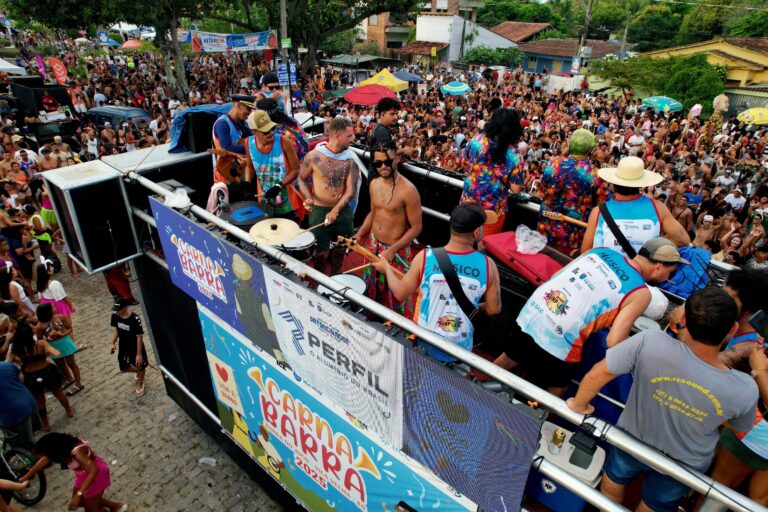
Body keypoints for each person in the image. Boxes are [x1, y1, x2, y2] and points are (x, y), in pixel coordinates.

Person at [567, 288, 758, 512]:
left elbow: (598, 374)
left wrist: (579, 405)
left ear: (684, 319)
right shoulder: (745, 387)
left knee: (613, 479)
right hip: (683, 464)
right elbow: (738, 426)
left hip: (631, 440)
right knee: (654, 505)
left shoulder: (651, 340)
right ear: (733, 329)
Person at [495, 238, 687, 396]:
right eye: (670, 273)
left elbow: (557, 275)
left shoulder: (601, 251)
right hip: (563, 338)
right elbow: (614, 341)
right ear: (658, 268)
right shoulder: (641, 292)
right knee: (555, 392)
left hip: (535, 310)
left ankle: (475, 389)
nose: (667, 279)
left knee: (507, 359)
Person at [373, 202, 501, 362]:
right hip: (460, 350)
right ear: (476, 232)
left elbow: (400, 293)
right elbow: (494, 309)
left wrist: (387, 268)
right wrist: (474, 307)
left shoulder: (425, 257)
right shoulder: (488, 265)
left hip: (424, 344)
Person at [354, 143, 422, 316]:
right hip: (373, 245)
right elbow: (373, 213)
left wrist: (393, 249)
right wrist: (360, 234)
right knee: (370, 289)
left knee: (396, 298)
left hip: (396, 251)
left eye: (387, 162)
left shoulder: (408, 190)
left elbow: (416, 228)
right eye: (378, 163)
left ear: (396, 159)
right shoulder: (374, 183)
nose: (382, 167)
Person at [582, 156, 691, 257]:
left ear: (613, 184)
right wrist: (654, 243)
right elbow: (683, 239)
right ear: (640, 184)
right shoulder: (658, 208)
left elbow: (585, 252)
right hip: (643, 274)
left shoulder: (598, 212)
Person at [297, 117, 358, 274]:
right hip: (319, 210)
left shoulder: (351, 160)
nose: (353, 139)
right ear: (337, 135)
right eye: (349, 135)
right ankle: (320, 279)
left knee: (340, 248)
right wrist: (308, 197)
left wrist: (336, 210)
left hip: (342, 211)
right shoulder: (313, 156)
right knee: (320, 253)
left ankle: (336, 276)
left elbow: (351, 191)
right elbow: (301, 178)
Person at [537, 128, 608, 254]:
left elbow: (542, 191)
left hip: (545, 229)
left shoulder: (552, 165)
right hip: (572, 238)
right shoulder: (595, 175)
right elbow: (602, 206)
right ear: (590, 150)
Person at [19, 433, 127, 512]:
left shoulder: (77, 452)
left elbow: (94, 471)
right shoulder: (61, 449)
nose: (43, 458)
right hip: (83, 476)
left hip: (96, 476)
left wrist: (79, 494)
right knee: (81, 502)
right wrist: (26, 476)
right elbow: (43, 461)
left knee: (89, 508)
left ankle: (111, 507)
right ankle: (115, 506)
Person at [459, 108, 525, 235]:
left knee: (462, 245)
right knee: (484, 250)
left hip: (467, 204)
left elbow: (463, 162)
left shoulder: (476, 141)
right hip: (493, 211)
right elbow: (516, 189)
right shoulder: (515, 155)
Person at [10, 322, 74, 431]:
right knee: (58, 392)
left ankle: (45, 424)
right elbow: (56, 353)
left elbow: (12, 361)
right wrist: (50, 351)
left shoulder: (17, 349)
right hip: (47, 371)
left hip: (30, 376)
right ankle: (68, 410)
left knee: (40, 400)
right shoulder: (41, 344)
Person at [243, 110, 300, 220]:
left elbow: (296, 169)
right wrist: (247, 182)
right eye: (265, 131)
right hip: (265, 201)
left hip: (287, 202)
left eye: (271, 128)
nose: (270, 133)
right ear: (254, 131)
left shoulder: (284, 141)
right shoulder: (248, 143)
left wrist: (279, 185)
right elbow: (249, 167)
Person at [35, 303, 82, 396]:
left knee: (71, 364)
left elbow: (69, 329)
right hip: (53, 346)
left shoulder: (60, 317)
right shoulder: (39, 326)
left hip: (65, 343)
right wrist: (47, 340)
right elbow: (40, 340)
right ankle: (69, 378)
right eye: (52, 308)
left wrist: (62, 334)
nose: (55, 308)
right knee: (60, 365)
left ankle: (78, 384)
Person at [211, 94, 256, 185]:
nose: (250, 112)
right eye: (248, 109)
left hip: (238, 168)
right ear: (238, 105)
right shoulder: (223, 124)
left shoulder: (241, 123)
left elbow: (253, 138)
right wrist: (252, 146)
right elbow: (227, 148)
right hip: (224, 172)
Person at [110, 297, 148, 398]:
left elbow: (139, 337)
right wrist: (112, 343)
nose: (117, 312)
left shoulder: (135, 319)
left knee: (140, 365)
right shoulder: (115, 316)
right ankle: (138, 372)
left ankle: (140, 382)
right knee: (123, 367)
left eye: (119, 310)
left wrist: (139, 354)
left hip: (135, 347)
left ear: (125, 307)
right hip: (123, 346)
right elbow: (116, 331)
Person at [0, 360, 36, 449]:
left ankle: (38, 457)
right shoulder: (5, 364)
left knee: (25, 443)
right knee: (30, 432)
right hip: (29, 400)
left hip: (13, 413)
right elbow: (21, 379)